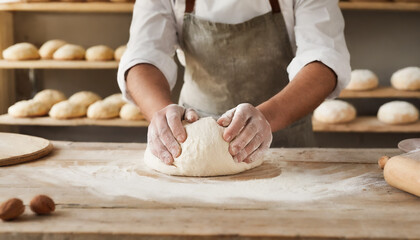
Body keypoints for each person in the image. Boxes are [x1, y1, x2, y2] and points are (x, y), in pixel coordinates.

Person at [118, 0, 351, 165]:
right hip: (189, 141)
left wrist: (265, 119)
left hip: (287, 144)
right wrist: (161, 114)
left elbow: (325, 59)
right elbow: (143, 57)